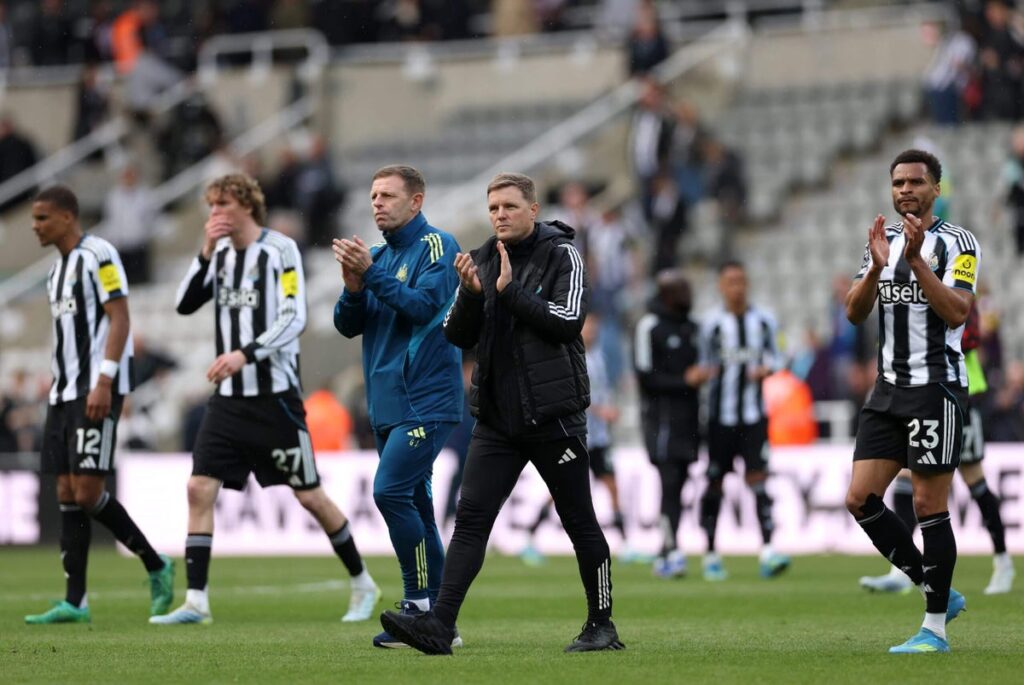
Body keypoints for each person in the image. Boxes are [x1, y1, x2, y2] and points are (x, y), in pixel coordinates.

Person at [379, 172, 623, 655]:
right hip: (496, 418)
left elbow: (568, 322)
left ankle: (602, 625)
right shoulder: (483, 259)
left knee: (580, 521)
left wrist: (510, 293)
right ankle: (440, 626)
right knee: (470, 522)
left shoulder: (563, 255)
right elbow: (455, 333)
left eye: (510, 207)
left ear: (533, 209)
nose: (500, 216)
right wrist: (471, 295)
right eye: (493, 209)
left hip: (553, 416)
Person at [152, 173, 379, 625]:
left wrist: (245, 353)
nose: (214, 214)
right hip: (229, 399)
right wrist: (203, 253)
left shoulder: (280, 250)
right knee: (199, 487)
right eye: (211, 206)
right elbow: (183, 305)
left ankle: (362, 582)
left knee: (310, 496)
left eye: (222, 205)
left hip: (274, 398)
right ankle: (196, 600)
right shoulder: (218, 255)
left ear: (247, 206)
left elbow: (294, 317)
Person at [844, 149, 979, 654]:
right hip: (887, 390)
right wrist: (879, 269)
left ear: (935, 189)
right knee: (859, 498)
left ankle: (935, 630)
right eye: (898, 182)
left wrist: (918, 263)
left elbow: (958, 311)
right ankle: (936, 585)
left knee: (927, 504)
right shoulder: (881, 241)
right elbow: (856, 314)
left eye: (916, 182)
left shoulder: (958, 243)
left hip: (935, 388)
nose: (905, 190)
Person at [24, 185, 174, 625]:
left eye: (42, 218)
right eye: (33, 219)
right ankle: (76, 601)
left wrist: (105, 379)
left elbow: (120, 317)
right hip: (63, 392)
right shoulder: (55, 273)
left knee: (88, 491)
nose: (35, 226)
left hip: (96, 388)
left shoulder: (100, 255)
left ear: (68, 217)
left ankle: (155, 564)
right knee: (67, 491)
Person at [333, 165, 464, 649]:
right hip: (387, 405)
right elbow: (349, 325)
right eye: (373, 195)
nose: (377, 203)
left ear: (416, 201)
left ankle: (420, 604)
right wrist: (353, 286)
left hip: (426, 400)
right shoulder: (378, 257)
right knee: (418, 508)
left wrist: (370, 275)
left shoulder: (438, 246)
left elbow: (425, 307)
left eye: (387, 195)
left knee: (388, 492)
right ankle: (441, 622)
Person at [858, 301, 1014, 595]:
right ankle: (900, 570)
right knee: (906, 479)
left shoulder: (953, 288)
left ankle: (1003, 561)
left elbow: (970, 335)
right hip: (916, 398)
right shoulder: (906, 292)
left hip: (959, 396)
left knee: (974, 481)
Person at [696, 260, 790, 582]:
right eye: (730, 281)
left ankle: (768, 550)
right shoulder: (710, 324)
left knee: (758, 479)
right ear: (721, 287)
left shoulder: (763, 320)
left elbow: (779, 356)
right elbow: (700, 363)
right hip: (719, 418)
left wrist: (768, 368)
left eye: (741, 280)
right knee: (715, 482)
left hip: (753, 417)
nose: (736, 287)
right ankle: (710, 552)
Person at [519, 313, 632, 567]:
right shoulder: (570, 356)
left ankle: (625, 543)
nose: (591, 332)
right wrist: (601, 411)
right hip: (577, 436)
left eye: (594, 328)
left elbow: (601, 393)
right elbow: (572, 396)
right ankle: (530, 536)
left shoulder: (599, 358)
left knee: (612, 485)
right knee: (561, 489)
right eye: (587, 328)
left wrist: (608, 410)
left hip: (599, 438)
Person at [634, 269, 702, 578]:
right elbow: (645, 377)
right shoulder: (649, 326)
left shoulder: (692, 327)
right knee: (669, 482)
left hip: (689, 420)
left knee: (681, 483)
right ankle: (670, 548)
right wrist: (685, 381)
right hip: (661, 420)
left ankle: (667, 546)